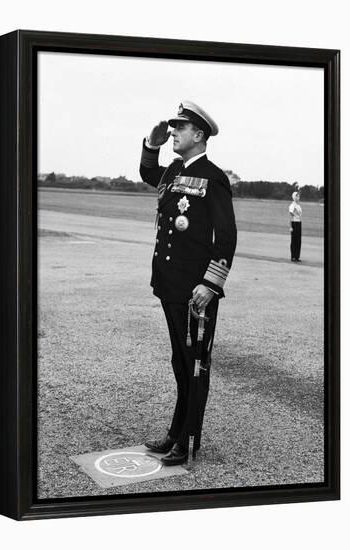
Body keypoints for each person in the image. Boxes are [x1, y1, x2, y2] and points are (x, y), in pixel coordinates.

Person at [139, 101, 237, 465]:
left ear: (199, 134)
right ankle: (175, 432)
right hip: (169, 283)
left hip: (196, 290)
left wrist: (210, 284)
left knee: (196, 363)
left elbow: (226, 236)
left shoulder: (213, 176)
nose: (174, 132)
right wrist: (151, 145)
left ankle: (188, 440)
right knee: (180, 362)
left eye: (180, 127)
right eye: (174, 127)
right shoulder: (174, 171)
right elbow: (148, 173)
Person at [289, 191, 302, 261]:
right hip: (294, 223)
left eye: (299, 196)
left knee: (298, 240)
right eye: (297, 196)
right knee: (294, 240)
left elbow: (299, 216)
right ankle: (293, 256)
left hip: (299, 223)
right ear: (294, 197)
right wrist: (290, 226)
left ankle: (297, 256)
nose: (298, 197)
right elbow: (290, 216)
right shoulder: (292, 205)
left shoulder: (299, 206)